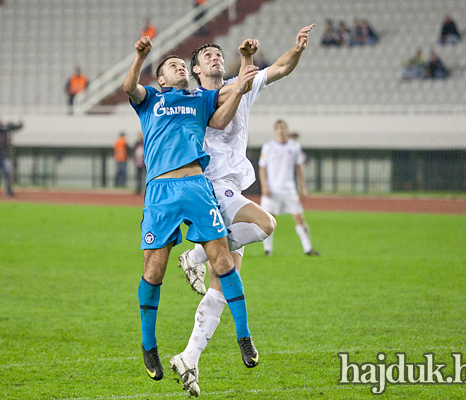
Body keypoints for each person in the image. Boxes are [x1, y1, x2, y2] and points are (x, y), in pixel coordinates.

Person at [173, 23, 315, 397]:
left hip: (231, 188)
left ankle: (189, 357)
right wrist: (245, 66)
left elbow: (281, 68)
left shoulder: (243, 83)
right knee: (267, 223)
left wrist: (296, 48)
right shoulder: (193, 100)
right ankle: (196, 254)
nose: (215, 56)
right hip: (211, 190)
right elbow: (218, 117)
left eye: (218, 53)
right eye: (207, 56)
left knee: (224, 284)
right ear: (197, 71)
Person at [123, 35, 260, 386]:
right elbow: (129, 86)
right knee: (154, 270)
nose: (180, 66)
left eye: (183, 64)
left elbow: (223, 111)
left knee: (224, 261)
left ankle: (244, 338)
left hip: (198, 187)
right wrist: (139, 57)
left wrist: (244, 78)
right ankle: (149, 346)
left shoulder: (201, 98)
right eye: (173, 66)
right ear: (162, 79)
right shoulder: (151, 99)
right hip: (161, 192)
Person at [259, 120, 319, 257]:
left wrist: (303, 187)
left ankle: (308, 248)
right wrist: (264, 186)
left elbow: (299, 168)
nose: (281, 130)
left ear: (287, 130)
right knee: (268, 220)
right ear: (275, 131)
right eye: (279, 128)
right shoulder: (268, 147)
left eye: (283, 127)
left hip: (289, 189)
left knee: (299, 218)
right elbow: (262, 168)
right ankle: (268, 249)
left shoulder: (294, 147)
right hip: (272, 190)